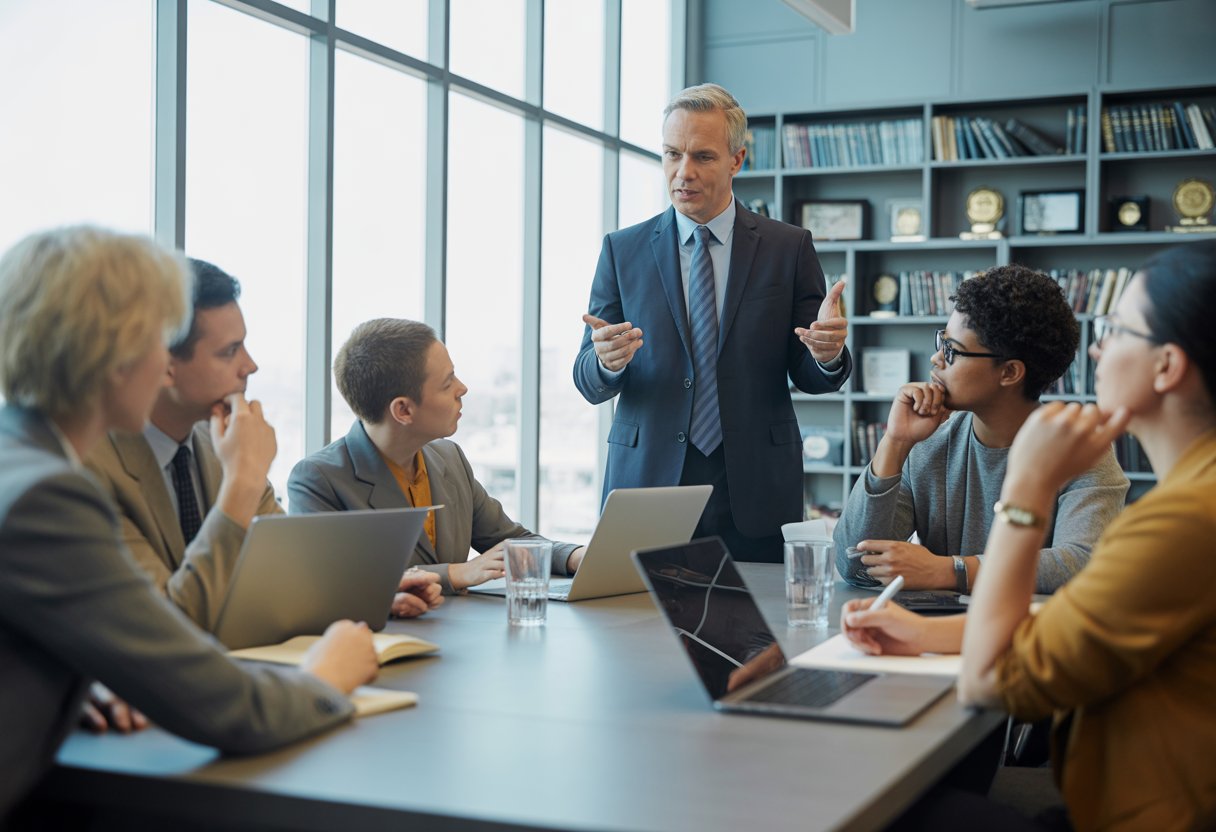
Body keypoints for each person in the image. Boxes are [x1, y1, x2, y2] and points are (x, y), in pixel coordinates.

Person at [0, 226, 379, 825]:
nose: (163, 366)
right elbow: (226, 710)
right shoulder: (50, 498)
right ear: (113, 352)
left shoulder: (19, 461)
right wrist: (327, 677)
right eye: (156, 341)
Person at [843, 241, 1216, 830]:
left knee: (883, 810)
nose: (1097, 347)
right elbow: (1094, 614)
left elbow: (994, 677)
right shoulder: (1193, 499)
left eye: (1117, 329)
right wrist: (925, 632)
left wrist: (1023, 495)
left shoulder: (1185, 520)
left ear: (1166, 366)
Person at [573, 83, 850, 564]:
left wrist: (826, 357)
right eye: (672, 154)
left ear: (736, 160)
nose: (684, 172)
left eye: (702, 156)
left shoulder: (788, 247)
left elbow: (810, 373)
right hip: (648, 482)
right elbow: (587, 381)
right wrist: (606, 363)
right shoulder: (623, 250)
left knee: (761, 632)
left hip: (755, 486)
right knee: (635, 631)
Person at [86, 259, 440, 626]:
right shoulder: (89, 471)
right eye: (229, 351)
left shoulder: (214, 442)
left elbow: (290, 571)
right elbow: (168, 627)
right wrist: (243, 481)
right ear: (163, 364)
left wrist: (364, 591)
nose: (250, 365)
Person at [833, 265, 1128, 593]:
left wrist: (949, 571)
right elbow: (854, 565)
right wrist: (895, 442)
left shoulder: (1081, 449)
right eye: (940, 342)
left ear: (1009, 372)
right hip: (926, 634)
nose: (935, 359)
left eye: (952, 351)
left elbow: (1080, 563)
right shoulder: (929, 441)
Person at [288, 318, 585, 594]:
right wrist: (455, 574)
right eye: (448, 382)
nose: (462, 389)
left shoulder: (448, 458)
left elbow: (509, 541)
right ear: (403, 410)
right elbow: (331, 586)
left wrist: (575, 556)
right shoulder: (318, 480)